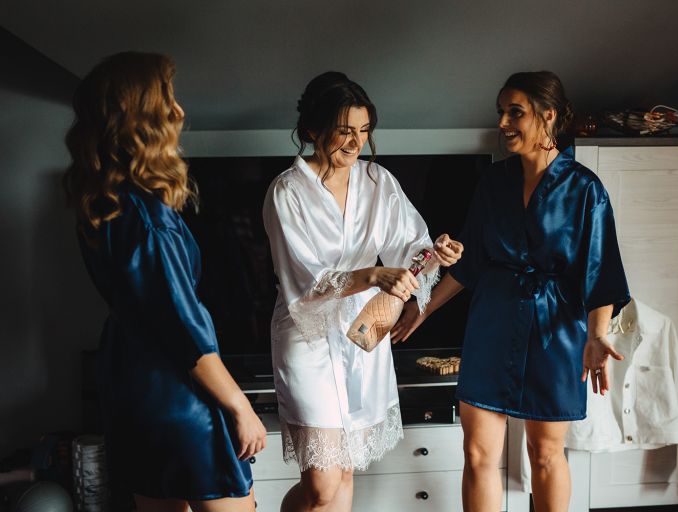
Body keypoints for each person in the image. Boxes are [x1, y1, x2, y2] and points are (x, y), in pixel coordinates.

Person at [392, 71, 630, 512]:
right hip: (492, 322)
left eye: (514, 112)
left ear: (548, 115)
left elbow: (602, 272)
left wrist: (597, 336)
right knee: (477, 453)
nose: (502, 122)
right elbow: (470, 264)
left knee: (545, 453)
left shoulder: (585, 189)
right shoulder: (493, 181)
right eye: (501, 112)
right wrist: (420, 309)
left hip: (556, 330)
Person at [63, 52, 267, 512]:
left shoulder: (105, 206)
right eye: (167, 100)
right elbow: (185, 329)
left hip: (129, 385)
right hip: (181, 396)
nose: (179, 111)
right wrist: (240, 406)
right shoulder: (149, 220)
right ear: (142, 119)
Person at [263, 71, 463, 512]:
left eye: (364, 130)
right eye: (344, 131)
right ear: (312, 130)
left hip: (363, 331)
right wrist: (372, 275)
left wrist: (437, 253)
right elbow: (306, 281)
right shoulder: (287, 192)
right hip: (307, 339)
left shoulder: (378, 181)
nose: (356, 142)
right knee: (321, 486)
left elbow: (410, 247)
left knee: (346, 472)